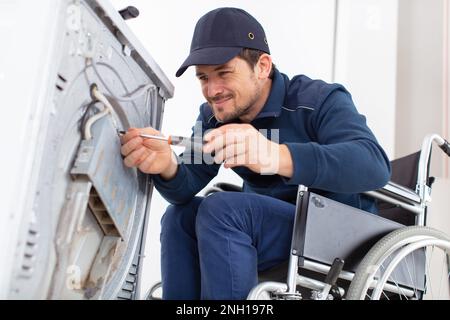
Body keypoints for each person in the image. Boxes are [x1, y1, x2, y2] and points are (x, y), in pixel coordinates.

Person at [120, 7, 391, 300]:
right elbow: (186, 184)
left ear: (262, 66)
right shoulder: (214, 117)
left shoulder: (318, 99)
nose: (212, 90)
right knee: (179, 217)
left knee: (223, 209)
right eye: (203, 78)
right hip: (264, 232)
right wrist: (167, 166)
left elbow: (373, 165)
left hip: (335, 233)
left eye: (224, 73)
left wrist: (276, 156)